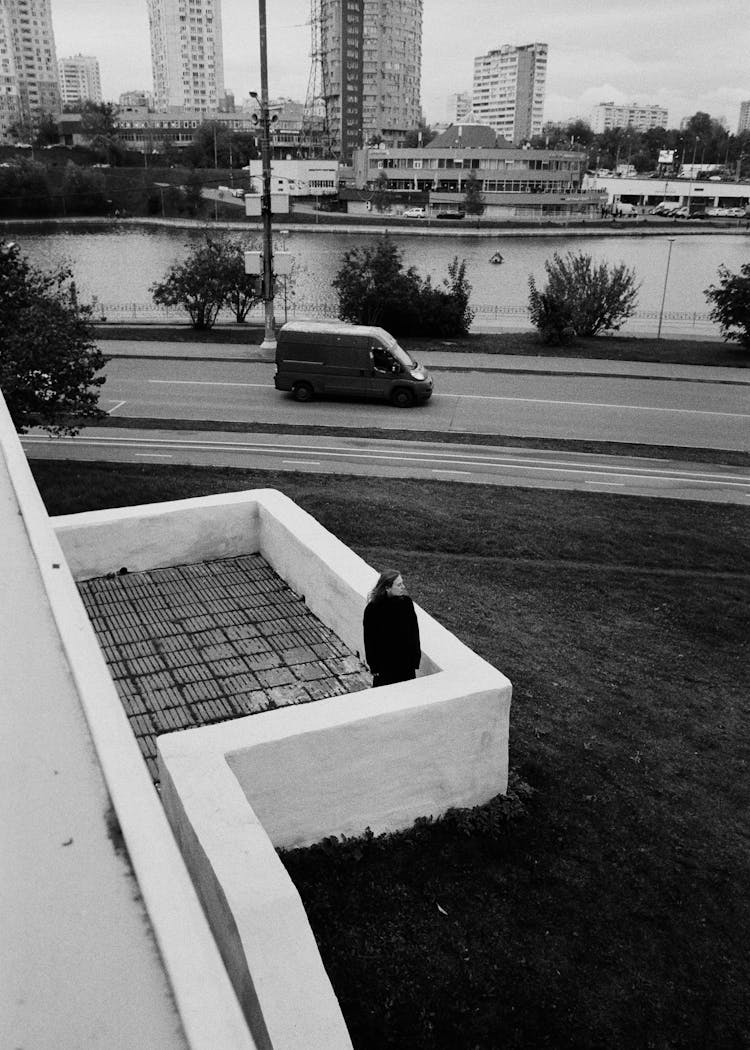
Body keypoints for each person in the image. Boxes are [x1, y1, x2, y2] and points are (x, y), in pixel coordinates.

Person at [363, 569, 421, 687]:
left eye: (402, 583)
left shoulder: (406, 603)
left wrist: (415, 659)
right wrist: (374, 667)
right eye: (399, 584)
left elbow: (414, 632)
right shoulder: (372, 609)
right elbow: (369, 640)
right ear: (387, 587)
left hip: (406, 665)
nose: (403, 587)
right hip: (385, 667)